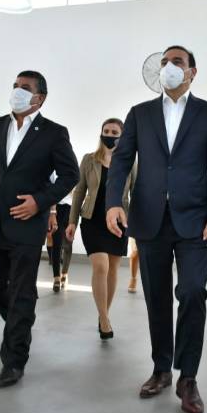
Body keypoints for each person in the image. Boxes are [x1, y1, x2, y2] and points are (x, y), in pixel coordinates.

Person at [106, 45, 207, 413]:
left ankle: (187, 377)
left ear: (192, 71)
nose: (169, 67)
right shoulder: (140, 113)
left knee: (192, 291)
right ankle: (161, 368)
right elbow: (121, 161)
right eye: (164, 62)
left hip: (195, 221)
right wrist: (114, 202)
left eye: (177, 62)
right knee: (156, 297)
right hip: (150, 219)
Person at [0, 70, 79, 388]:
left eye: (25, 87)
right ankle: (21, 322)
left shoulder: (53, 133)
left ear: (40, 98)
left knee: (22, 290)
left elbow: (70, 175)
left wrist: (40, 201)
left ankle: (14, 361)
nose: (17, 91)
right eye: (15, 86)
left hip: (27, 223)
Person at [66, 118, 136, 339]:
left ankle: (103, 312)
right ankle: (105, 319)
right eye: (106, 131)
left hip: (118, 222)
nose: (109, 135)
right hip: (92, 219)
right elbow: (79, 191)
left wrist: (136, 225)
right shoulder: (89, 160)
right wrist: (72, 221)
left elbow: (136, 193)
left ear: (122, 136)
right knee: (101, 266)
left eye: (114, 132)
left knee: (113, 268)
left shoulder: (129, 162)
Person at [46, 186, 73, 292]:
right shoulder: (53, 173)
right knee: (56, 243)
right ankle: (56, 278)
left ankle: (64, 274)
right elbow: (51, 188)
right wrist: (52, 211)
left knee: (68, 244)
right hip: (56, 208)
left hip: (71, 208)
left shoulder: (77, 174)